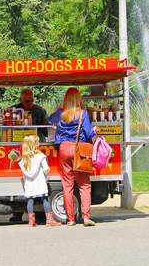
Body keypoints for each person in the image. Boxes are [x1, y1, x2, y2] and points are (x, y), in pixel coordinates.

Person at [49, 87, 100, 226]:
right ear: (79, 99)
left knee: (67, 185)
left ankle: (71, 219)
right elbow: (89, 133)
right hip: (79, 150)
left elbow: (50, 119)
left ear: (65, 100)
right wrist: (95, 130)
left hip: (64, 149)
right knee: (84, 184)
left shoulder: (61, 113)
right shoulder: (83, 113)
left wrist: (59, 107)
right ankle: (86, 217)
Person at [18, 134, 62, 227]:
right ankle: (49, 220)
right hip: (40, 181)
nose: (39, 143)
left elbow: (25, 173)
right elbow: (46, 168)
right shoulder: (40, 156)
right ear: (33, 145)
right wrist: (44, 174)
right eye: (37, 142)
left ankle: (31, 221)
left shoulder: (23, 160)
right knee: (45, 199)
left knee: (30, 200)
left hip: (29, 183)